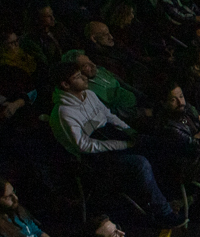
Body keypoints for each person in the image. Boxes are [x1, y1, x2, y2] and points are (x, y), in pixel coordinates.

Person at [49, 60, 184, 228]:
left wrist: (129, 132)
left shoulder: (89, 94)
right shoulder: (64, 113)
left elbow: (108, 115)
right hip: (95, 160)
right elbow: (84, 146)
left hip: (111, 139)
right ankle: (163, 213)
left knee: (154, 144)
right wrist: (124, 144)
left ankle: (170, 197)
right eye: (77, 76)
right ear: (65, 84)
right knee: (140, 163)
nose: (84, 77)